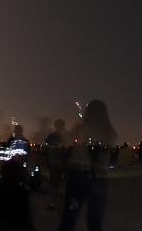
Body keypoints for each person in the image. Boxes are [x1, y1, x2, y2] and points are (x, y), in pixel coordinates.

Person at [59, 99, 117, 231]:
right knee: (95, 220)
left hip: (77, 174)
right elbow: (109, 157)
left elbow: (67, 146)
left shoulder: (78, 128)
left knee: (69, 216)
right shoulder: (109, 131)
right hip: (98, 177)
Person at [45, 119, 69, 210]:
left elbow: (48, 144)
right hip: (59, 163)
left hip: (57, 162)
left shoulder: (54, 135)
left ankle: (53, 204)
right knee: (56, 184)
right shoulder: (65, 135)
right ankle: (54, 203)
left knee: (54, 184)